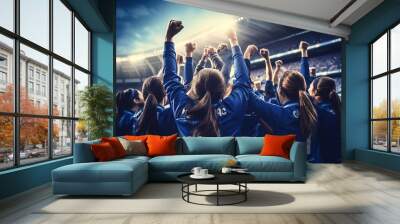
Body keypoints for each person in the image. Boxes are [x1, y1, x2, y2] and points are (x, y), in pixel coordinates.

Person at [163, 20, 251, 136]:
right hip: (228, 155)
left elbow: (170, 79)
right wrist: (234, 41)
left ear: (193, 88)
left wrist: (169, 39)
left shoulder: (183, 107)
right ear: (223, 89)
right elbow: (243, 80)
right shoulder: (233, 106)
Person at [248, 70, 317, 141]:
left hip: (283, 151)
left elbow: (251, 97)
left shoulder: (282, 113)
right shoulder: (313, 110)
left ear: (281, 92)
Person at [308, 77, 341, 163]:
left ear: (315, 92)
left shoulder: (317, 112)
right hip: (336, 161)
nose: (308, 89)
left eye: (310, 87)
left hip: (321, 163)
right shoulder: (337, 109)